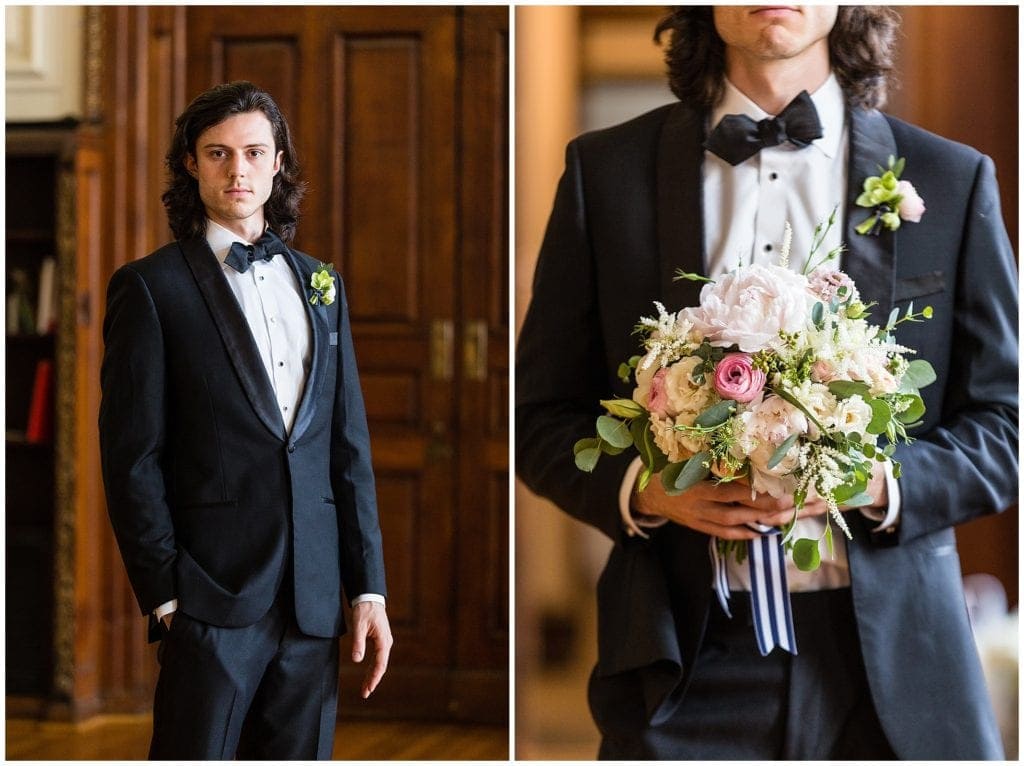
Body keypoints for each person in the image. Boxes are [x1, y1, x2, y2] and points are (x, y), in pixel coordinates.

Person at [516, 6, 1016, 760]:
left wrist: (873, 481)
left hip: (892, 665)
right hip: (683, 657)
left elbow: (1006, 429)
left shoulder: (948, 178)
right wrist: (648, 491)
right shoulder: (604, 172)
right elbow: (540, 418)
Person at [99, 81, 393, 760]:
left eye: (255, 153)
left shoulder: (322, 283)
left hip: (314, 604)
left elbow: (346, 449)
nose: (239, 170)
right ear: (190, 165)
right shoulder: (150, 288)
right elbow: (130, 456)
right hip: (210, 600)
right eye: (219, 154)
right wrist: (168, 597)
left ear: (278, 162)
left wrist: (367, 587)